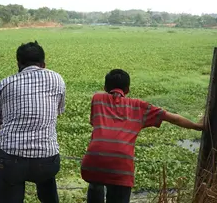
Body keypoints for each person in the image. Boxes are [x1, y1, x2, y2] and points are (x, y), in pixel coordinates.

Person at [80, 69, 204, 203]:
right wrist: (197, 126)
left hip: (92, 164)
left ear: (105, 88)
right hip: (121, 167)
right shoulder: (139, 107)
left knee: (95, 183)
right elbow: (172, 118)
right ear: (127, 89)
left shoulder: (97, 99)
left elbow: (95, 124)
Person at [0, 41, 66, 203]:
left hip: (9, 161)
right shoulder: (57, 79)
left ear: (18, 63)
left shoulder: (5, 83)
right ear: (43, 64)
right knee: (47, 184)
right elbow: (56, 113)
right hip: (47, 161)